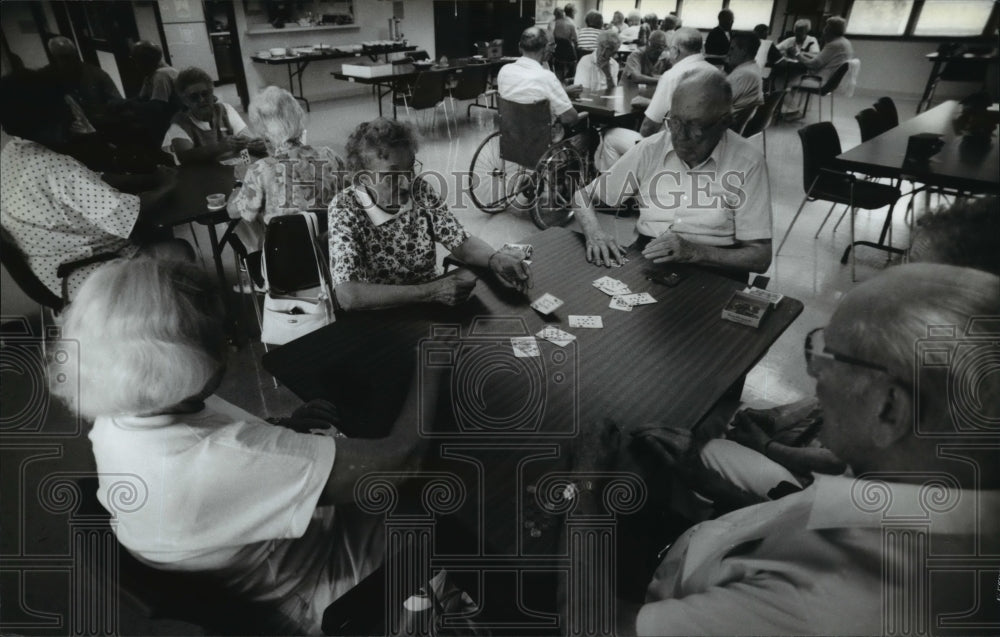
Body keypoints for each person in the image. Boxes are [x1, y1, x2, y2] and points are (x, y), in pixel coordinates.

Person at [51, 256, 450, 635]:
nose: (231, 343)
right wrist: (430, 362)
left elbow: (230, 458)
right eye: (223, 335)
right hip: (319, 587)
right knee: (461, 500)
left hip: (255, 562)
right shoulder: (213, 460)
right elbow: (403, 461)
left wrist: (281, 428)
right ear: (183, 363)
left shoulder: (123, 409)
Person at [628, 263, 1000, 635]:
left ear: (889, 409)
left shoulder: (828, 599)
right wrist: (710, 483)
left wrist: (584, 489)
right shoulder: (921, 478)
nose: (814, 377)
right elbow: (794, 517)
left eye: (830, 358)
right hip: (719, 544)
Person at [0, 69, 189, 301]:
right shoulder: (56, 167)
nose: (72, 116)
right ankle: (163, 318)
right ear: (48, 115)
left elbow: (90, 183)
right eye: (66, 107)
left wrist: (146, 179)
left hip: (48, 270)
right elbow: (131, 214)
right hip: (89, 272)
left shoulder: (11, 153)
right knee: (180, 250)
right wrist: (168, 184)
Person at [574, 68, 773, 279]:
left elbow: (760, 257)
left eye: (695, 125)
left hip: (717, 268)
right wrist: (595, 233)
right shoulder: (651, 149)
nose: (680, 136)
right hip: (651, 256)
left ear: (724, 122)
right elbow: (582, 195)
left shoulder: (748, 162)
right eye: (675, 121)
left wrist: (695, 252)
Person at [327, 118, 532, 311]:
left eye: (410, 169)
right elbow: (348, 295)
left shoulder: (420, 191)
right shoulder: (345, 207)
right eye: (392, 176)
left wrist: (495, 259)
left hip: (430, 305)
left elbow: (460, 242)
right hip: (381, 316)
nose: (407, 183)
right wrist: (429, 292)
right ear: (362, 177)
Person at [227, 87, 346, 285]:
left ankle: (252, 275)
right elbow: (347, 201)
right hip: (334, 258)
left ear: (264, 134)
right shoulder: (331, 156)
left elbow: (232, 212)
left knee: (247, 219)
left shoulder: (260, 169)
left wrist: (240, 182)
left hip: (285, 267)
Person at [162, 67, 263, 165]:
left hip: (235, 171)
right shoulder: (179, 123)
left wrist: (253, 146)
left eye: (205, 94)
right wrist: (219, 147)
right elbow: (184, 157)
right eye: (194, 97)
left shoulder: (225, 109)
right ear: (185, 101)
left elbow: (245, 141)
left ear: (212, 93)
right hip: (205, 177)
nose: (201, 100)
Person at [497, 27, 583, 127]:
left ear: (520, 47)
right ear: (546, 47)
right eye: (552, 45)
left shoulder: (504, 71)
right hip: (540, 139)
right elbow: (570, 117)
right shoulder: (546, 76)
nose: (554, 49)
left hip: (510, 136)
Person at [639, 28, 716, 137]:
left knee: (610, 137)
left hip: (674, 144)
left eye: (669, 49)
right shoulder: (716, 73)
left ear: (675, 51)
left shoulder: (672, 76)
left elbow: (648, 127)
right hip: (707, 142)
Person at [44, 36, 122, 134]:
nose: (69, 62)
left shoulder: (96, 74)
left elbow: (117, 101)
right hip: (69, 131)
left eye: (71, 56)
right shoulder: (46, 77)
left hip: (100, 127)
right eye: (63, 58)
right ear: (54, 59)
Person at [132, 40, 180, 108]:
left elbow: (157, 106)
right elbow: (141, 99)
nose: (137, 66)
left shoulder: (161, 75)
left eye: (138, 62)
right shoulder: (151, 76)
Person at [726, 31, 764, 113]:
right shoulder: (753, 68)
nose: (728, 53)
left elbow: (717, 102)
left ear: (744, 51)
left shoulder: (743, 74)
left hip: (727, 122)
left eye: (732, 49)